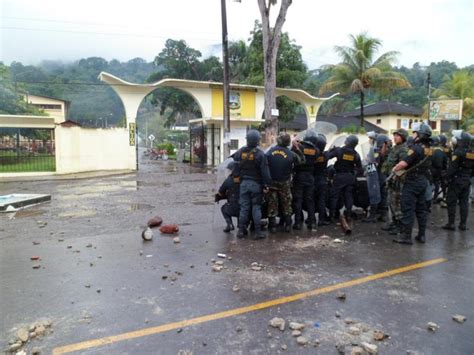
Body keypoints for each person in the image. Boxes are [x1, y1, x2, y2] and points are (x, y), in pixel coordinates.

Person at [392, 123, 432, 245]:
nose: (413, 135)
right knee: (421, 209)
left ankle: (406, 236)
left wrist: (394, 169)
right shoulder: (429, 149)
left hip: (412, 182)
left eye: (415, 133)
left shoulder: (416, 148)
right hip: (423, 181)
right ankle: (421, 235)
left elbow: (403, 164)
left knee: (407, 208)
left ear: (419, 135)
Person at [233, 129, 272, 239]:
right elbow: (265, 172)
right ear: (257, 141)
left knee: (244, 208)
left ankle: (241, 231)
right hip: (256, 185)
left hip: (243, 185)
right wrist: (267, 185)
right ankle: (258, 232)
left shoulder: (240, 152)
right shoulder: (260, 154)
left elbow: (235, 170)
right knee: (256, 207)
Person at [265, 132, 304, 233]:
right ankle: (287, 225)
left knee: (272, 204)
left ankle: (272, 226)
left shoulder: (269, 152)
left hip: (272, 182)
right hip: (285, 182)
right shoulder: (291, 154)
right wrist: (298, 149)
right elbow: (302, 161)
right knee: (287, 204)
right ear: (288, 142)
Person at [442, 131, 474, 231]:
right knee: (464, 203)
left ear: (460, 141)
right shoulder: (471, 153)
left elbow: (452, 169)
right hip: (466, 180)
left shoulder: (457, 152)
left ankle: (451, 224)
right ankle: (463, 224)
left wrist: (446, 178)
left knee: (451, 201)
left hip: (456, 181)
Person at [327, 135, 362, 222]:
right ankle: (349, 215)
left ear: (348, 142)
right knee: (348, 196)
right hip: (350, 177)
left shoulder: (339, 150)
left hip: (339, 176)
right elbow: (359, 169)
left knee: (334, 196)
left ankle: (331, 216)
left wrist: (331, 150)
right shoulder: (356, 154)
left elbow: (328, 156)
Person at [291, 129, 320, 230]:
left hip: (299, 176)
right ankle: (312, 222)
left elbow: (292, 154)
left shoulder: (300, 147)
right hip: (310, 177)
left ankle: (298, 222)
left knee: (298, 199)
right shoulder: (316, 150)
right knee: (309, 200)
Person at [381, 128, 409, 234]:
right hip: (391, 179)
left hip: (398, 181)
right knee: (391, 202)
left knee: (397, 204)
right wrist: (385, 145)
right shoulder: (395, 148)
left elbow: (403, 167)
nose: (395, 137)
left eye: (397, 136)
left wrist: (395, 177)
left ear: (403, 137)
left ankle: (399, 225)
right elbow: (383, 155)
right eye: (395, 135)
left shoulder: (403, 150)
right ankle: (394, 222)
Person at [215, 161, 240, 232]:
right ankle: (241, 225)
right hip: (245, 208)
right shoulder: (245, 179)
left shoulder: (228, 180)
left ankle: (230, 224)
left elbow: (220, 192)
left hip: (233, 208)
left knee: (223, 208)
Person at [314, 134, 330, 226]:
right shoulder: (326, 155)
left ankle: (311, 218)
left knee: (311, 199)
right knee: (321, 199)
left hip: (313, 178)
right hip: (322, 179)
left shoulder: (313, 154)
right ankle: (321, 219)